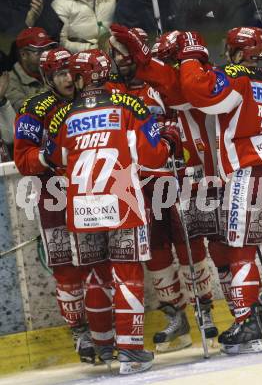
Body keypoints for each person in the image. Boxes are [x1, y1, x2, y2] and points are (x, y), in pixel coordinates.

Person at [173, 26, 262, 354]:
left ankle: (246, 320)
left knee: (241, 250)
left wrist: (191, 56)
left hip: (246, 175)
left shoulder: (235, 76)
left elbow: (198, 91)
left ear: (236, 51)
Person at [44, 48, 181, 374]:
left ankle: (103, 345)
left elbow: (55, 158)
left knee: (95, 278)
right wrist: (170, 140)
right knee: (127, 276)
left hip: (81, 208)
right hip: (121, 203)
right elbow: (152, 157)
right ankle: (131, 352)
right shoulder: (129, 105)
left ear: (81, 78)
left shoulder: (65, 115)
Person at [107, 27, 219, 352]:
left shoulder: (162, 81)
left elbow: (181, 97)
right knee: (155, 252)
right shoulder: (113, 91)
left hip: (178, 174)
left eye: (127, 52)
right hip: (139, 182)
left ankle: (204, 311)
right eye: (116, 54)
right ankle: (177, 316)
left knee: (190, 245)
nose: (122, 60)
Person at [13, 47, 99, 363]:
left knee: (97, 263)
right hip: (54, 196)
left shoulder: (91, 100)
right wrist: (47, 156)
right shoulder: (34, 109)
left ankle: (104, 327)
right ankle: (80, 332)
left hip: (92, 194)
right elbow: (23, 159)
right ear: (48, 78)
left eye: (70, 72)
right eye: (59, 74)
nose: (66, 79)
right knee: (66, 269)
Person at [6, 27, 56, 112]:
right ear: (23, 55)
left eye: (48, 49)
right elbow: (25, 111)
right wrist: (53, 86)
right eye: (39, 51)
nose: (46, 55)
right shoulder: (9, 82)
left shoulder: (56, 71)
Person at [51, 0, 116, 53]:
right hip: (79, 59)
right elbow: (60, 43)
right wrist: (90, 49)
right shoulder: (60, 4)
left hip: (112, 56)